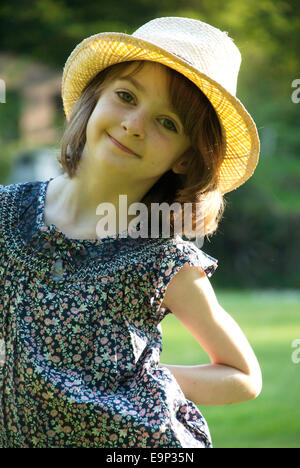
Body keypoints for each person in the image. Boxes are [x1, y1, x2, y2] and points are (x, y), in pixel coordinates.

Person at [0, 16, 262, 448]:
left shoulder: (163, 258)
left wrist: (147, 380)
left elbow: (243, 376)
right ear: (95, 96)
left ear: (185, 157)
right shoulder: (8, 213)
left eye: (168, 123)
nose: (135, 124)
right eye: (126, 96)